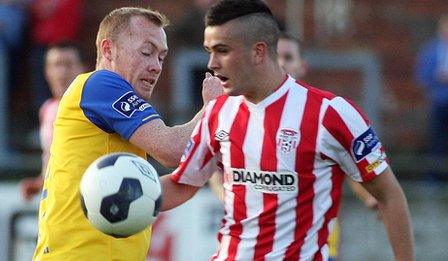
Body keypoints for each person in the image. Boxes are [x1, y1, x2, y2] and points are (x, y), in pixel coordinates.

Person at [160, 1, 414, 260]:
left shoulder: (331, 114)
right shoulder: (219, 111)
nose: (212, 63)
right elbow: (182, 184)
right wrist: (128, 193)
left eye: (222, 51)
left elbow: (388, 194)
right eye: (209, 51)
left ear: (258, 52)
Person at [32, 6, 223, 260]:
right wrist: (214, 107)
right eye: (146, 52)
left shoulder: (112, 121)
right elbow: (172, 150)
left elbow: (159, 192)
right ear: (108, 50)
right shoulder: (102, 84)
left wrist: (212, 151)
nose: (156, 66)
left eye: (161, 58)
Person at [209, 32, 380, 260]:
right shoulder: (238, 112)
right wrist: (232, 197)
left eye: (288, 57)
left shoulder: (322, 115)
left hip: (317, 246)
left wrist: (371, 197)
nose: (280, 63)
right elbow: (214, 165)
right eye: (275, 56)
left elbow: (353, 167)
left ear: (303, 65)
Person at [19, 42, 86, 201]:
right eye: (55, 65)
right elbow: (56, 165)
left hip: (87, 205)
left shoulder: (92, 109)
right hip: (56, 205)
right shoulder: (47, 109)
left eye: (68, 64)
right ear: (46, 72)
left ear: (83, 69)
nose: (61, 72)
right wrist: (38, 183)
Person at [415, 14, 448, 182]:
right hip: (438, 101)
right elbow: (422, 76)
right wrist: (438, 77)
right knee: (436, 140)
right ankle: (433, 178)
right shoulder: (431, 50)